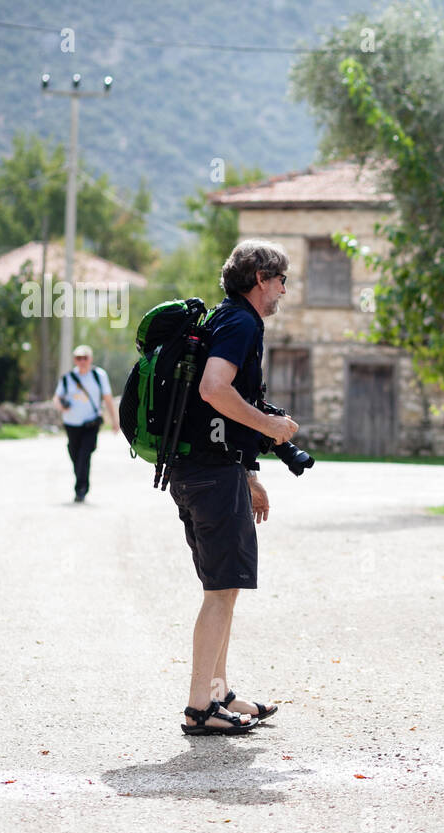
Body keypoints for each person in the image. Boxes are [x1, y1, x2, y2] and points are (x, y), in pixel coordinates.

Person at [171, 239, 299, 735]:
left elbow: (219, 409)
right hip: (207, 473)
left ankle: (218, 692)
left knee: (224, 588)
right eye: (281, 280)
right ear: (261, 279)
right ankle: (199, 707)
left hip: (206, 470)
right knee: (221, 591)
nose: (284, 290)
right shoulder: (242, 322)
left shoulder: (228, 319)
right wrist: (270, 428)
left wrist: (250, 475)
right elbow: (213, 390)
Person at [53, 344, 119, 503]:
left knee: (84, 455)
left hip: (91, 423)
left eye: (85, 358)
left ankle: (81, 489)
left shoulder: (99, 375)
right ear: (75, 360)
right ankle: (81, 483)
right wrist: (61, 406)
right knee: (75, 455)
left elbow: (108, 399)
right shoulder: (67, 378)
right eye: (78, 358)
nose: (82, 361)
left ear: (90, 359)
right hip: (71, 424)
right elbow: (56, 398)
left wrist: (115, 420)